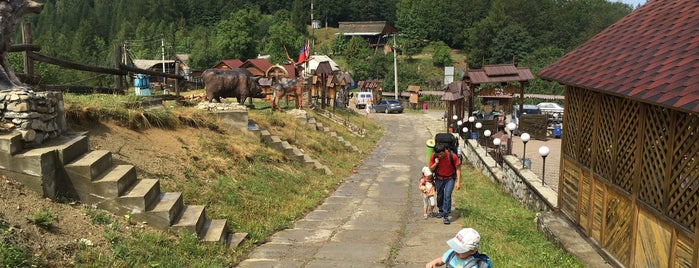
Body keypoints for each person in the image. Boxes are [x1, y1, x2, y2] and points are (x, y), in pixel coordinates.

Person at [428, 143, 461, 224]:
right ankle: (440, 210)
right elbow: (431, 169)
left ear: (444, 151)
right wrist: (436, 163)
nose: (439, 156)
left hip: (450, 178)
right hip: (439, 178)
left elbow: (458, 169)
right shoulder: (434, 156)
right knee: (439, 195)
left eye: (441, 154)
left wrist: (458, 182)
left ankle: (446, 215)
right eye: (438, 154)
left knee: (447, 195)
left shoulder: (452, 156)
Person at [425, 228, 490, 268]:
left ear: (472, 251)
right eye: (455, 247)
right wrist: (434, 263)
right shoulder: (451, 253)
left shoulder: (472, 265)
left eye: (460, 250)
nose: (456, 251)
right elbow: (442, 259)